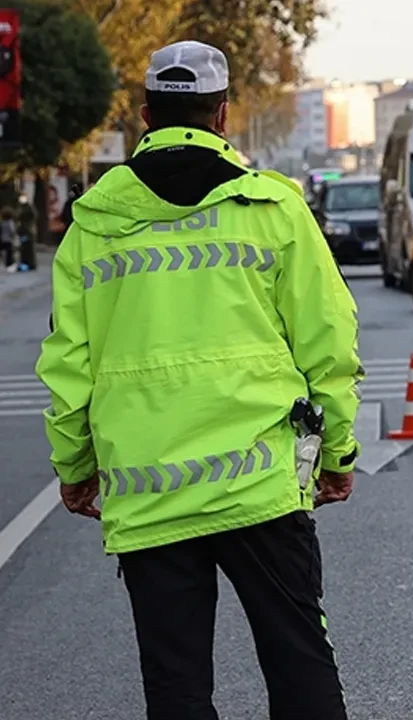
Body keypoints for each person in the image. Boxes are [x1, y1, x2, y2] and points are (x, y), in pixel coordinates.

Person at [35, 40, 361, 720]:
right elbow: (328, 341)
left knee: (177, 685)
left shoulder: (94, 223)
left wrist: (75, 466)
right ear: (223, 114)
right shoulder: (272, 208)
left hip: (150, 491)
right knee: (299, 658)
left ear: (147, 113)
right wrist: (338, 453)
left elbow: (69, 365)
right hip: (261, 485)